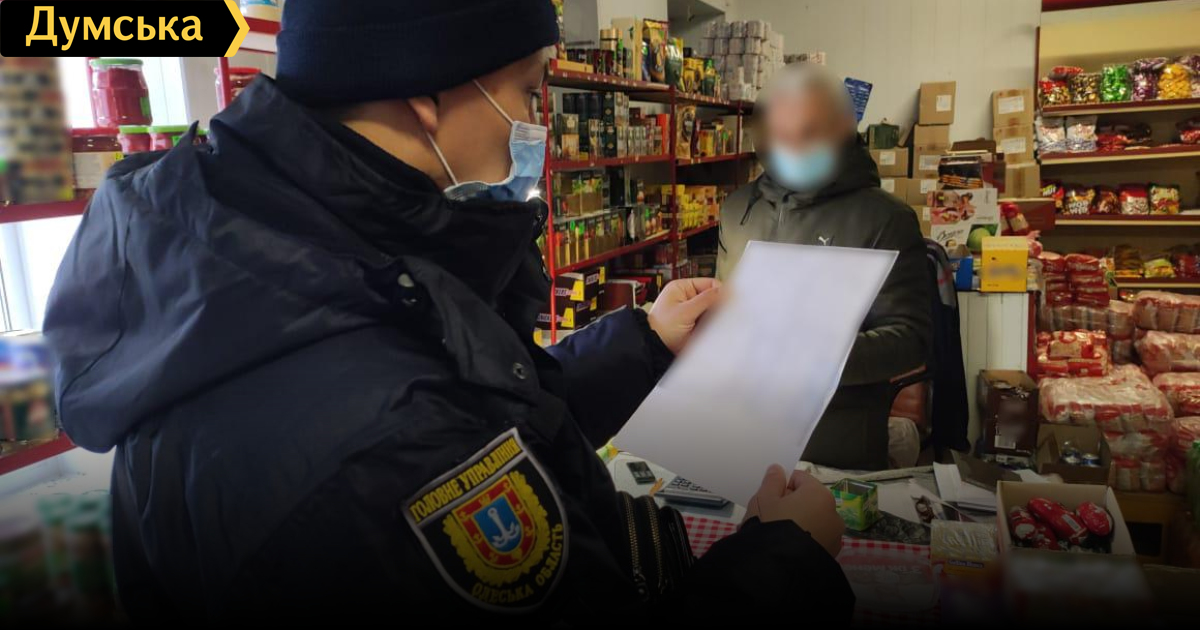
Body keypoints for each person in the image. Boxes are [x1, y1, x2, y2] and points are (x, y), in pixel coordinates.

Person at [44, 1, 852, 622]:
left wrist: (643, 338)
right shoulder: (378, 441)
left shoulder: (268, 250)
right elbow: (419, 431)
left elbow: (469, 405)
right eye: (527, 90)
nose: (536, 123)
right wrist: (790, 560)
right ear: (426, 93)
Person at [717, 64, 932, 471]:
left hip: (836, 447)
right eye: (781, 135)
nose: (793, 147)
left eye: (809, 132)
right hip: (743, 432)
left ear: (843, 129)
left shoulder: (885, 220)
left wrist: (814, 357)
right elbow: (727, 311)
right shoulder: (737, 210)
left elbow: (910, 339)